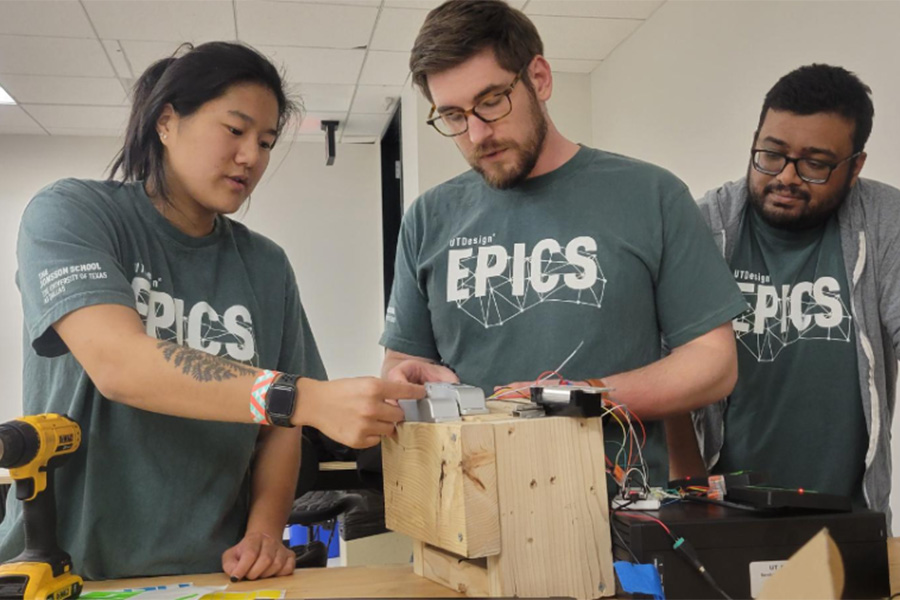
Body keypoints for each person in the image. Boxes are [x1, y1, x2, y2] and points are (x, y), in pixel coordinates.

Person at [0, 41, 421, 581]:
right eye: (235, 130)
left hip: (209, 577)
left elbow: (281, 429)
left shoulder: (266, 266)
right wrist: (306, 396)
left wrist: (265, 531)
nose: (252, 156)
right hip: (69, 571)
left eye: (266, 142)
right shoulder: (72, 214)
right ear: (167, 122)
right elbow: (120, 365)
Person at [379, 0, 748, 488]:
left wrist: (585, 396)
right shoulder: (428, 217)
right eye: (452, 115)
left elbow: (714, 364)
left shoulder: (650, 195)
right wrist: (409, 380)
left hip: (614, 517)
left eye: (491, 101)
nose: (476, 133)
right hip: (467, 507)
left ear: (540, 78)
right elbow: (401, 365)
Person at [686, 64, 900, 515]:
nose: (786, 176)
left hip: (847, 515)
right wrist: (688, 489)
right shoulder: (705, 226)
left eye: (815, 164)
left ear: (855, 165)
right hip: (722, 514)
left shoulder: (886, 225)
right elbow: (667, 364)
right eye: (771, 154)